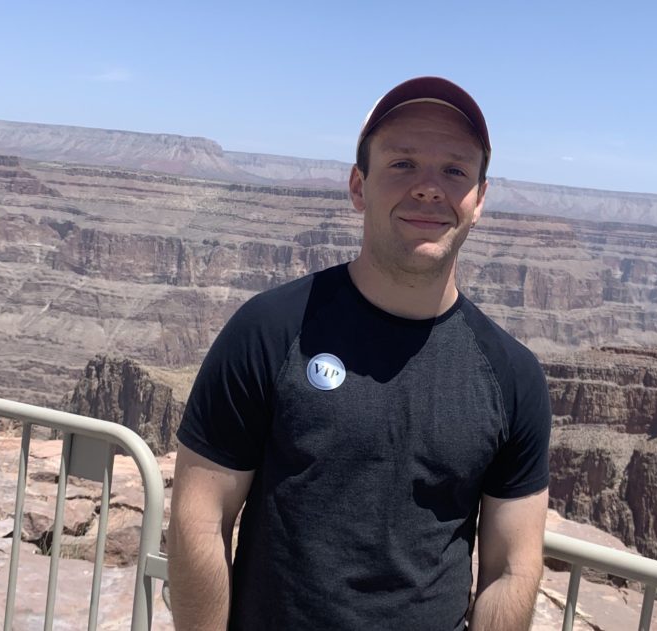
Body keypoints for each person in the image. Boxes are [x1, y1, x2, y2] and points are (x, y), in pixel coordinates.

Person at [167, 76, 552, 631]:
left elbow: (511, 569)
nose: (429, 188)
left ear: (480, 199)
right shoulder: (269, 331)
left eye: (455, 170)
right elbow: (202, 517)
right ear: (357, 185)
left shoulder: (513, 377)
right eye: (402, 164)